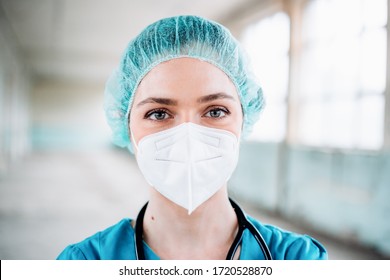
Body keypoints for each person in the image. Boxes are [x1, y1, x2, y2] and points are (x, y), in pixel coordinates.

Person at [57, 15, 327, 260]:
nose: (188, 136)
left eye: (216, 111)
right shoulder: (86, 261)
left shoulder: (297, 259)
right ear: (127, 126)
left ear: (244, 120)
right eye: (159, 114)